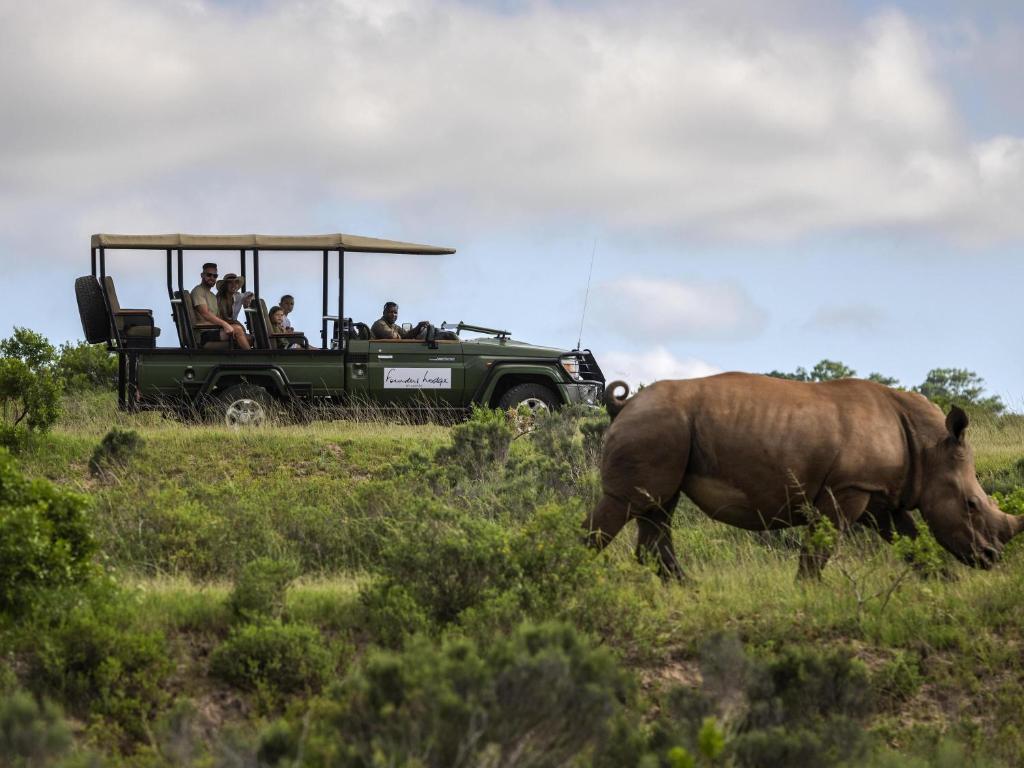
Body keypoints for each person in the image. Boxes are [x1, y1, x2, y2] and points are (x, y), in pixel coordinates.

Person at [190, 263, 250, 350]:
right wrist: (225, 324)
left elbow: (218, 317)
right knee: (237, 330)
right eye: (209, 275)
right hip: (203, 333)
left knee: (250, 338)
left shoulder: (212, 296)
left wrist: (232, 323)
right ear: (202, 275)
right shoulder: (198, 291)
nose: (212, 278)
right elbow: (205, 313)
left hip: (214, 330)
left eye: (215, 276)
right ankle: (252, 360)